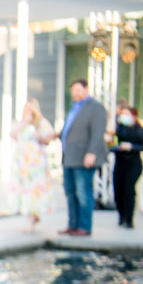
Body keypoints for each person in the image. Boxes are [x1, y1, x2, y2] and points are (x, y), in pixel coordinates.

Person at [58, 78, 108, 236]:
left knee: (83, 192)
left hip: (83, 157)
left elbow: (98, 133)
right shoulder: (73, 108)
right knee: (70, 191)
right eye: (73, 90)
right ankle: (72, 224)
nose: (75, 93)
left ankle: (84, 227)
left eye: (78, 89)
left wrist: (91, 153)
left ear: (86, 90)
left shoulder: (96, 108)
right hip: (68, 157)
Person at [9, 98, 57, 231]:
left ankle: (32, 217)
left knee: (35, 188)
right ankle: (32, 215)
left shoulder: (41, 123)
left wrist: (39, 136)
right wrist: (25, 122)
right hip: (22, 162)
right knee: (24, 188)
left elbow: (49, 138)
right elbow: (12, 134)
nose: (28, 111)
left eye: (31, 108)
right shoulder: (20, 123)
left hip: (35, 162)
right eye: (26, 108)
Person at [107, 105, 143, 228]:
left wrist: (131, 146)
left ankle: (129, 219)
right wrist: (115, 145)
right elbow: (112, 146)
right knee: (118, 191)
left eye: (127, 114)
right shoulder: (119, 129)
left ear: (134, 116)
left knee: (129, 191)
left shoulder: (140, 130)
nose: (123, 117)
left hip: (133, 164)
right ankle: (121, 215)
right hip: (120, 164)